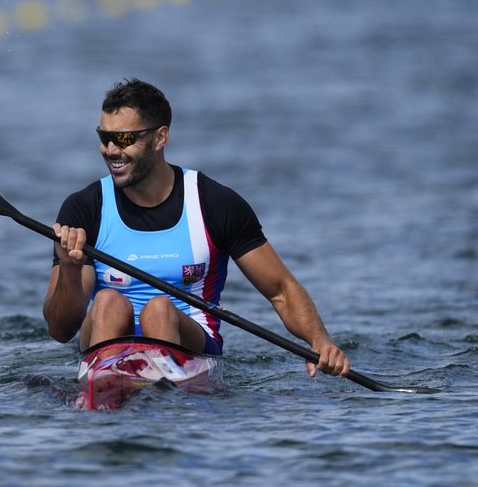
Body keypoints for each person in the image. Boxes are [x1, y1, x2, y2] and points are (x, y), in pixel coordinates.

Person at [43, 78, 350, 378]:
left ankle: (162, 393)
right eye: (104, 137)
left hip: (189, 343)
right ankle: (107, 390)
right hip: (106, 338)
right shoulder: (84, 208)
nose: (110, 150)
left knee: (159, 309)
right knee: (109, 301)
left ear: (160, 137)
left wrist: (320, 341)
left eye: (124, 139)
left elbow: (281, 290)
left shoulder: (214, 204)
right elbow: (60, 331)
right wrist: (70, 269)